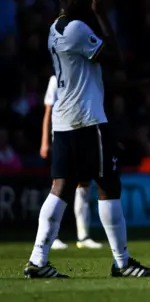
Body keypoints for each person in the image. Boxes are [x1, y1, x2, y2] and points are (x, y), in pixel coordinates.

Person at [25, 0, 150, 278]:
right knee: (109, 187)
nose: (92, 4)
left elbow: (93, 78)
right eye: (88, 1)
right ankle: (122, 263)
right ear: (79, 4)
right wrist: (103, 15)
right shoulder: (76, 29)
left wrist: (139, 86)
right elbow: (116, 57)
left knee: (59, 188)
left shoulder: (54, 29)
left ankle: (37, 260)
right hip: (88, 121)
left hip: (65, 121)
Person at [41, 75, 103, 251]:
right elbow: (48, 112)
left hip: (83, 136)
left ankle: (83, 236)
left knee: (83, 187)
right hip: (62, 138)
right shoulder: (56, 78)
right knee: (58, 188)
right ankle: (51, 236)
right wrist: (45, 141)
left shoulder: (84, 77)